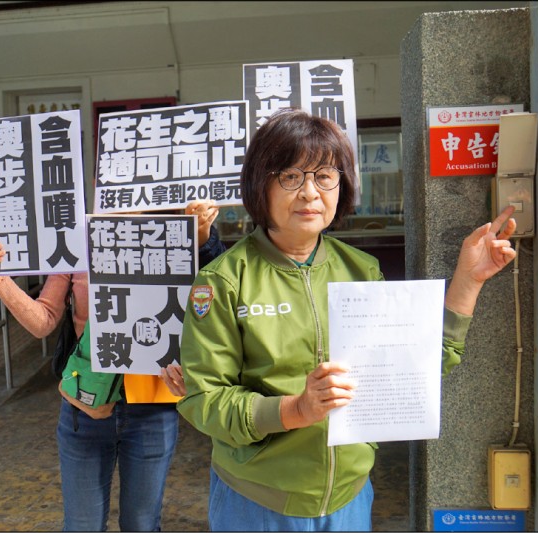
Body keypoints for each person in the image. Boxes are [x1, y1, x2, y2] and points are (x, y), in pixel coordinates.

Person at [176, 109, 518, 532]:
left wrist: (469, 279)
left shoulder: (361, 270)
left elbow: (417, 368)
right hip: (256, 500)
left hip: (350, 496)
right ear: (258, 184)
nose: (309, 193)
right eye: (290, 176)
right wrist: (294, 410)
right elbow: (202, 400)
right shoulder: (224, 280)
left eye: (324, 176)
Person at [0, 200, 226, 532]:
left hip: (153, 410)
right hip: (85, 407)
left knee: (142, 524)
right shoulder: (79, 242)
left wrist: (202, 233)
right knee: (82, 526)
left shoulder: (175, 236)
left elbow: (217, 292)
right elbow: (43, 321)